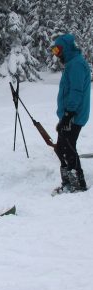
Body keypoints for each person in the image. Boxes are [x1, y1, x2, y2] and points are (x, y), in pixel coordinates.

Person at [51, 33, 91, 195]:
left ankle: (77, 184)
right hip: (70, 115)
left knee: (67, 147)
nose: (57, 53)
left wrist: (68, 114)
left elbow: (76, 91)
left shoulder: (76, 65)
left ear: (66, 48)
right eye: (54, 50)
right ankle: (68, 182)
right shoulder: (72, 63)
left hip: (74, 115)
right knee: (61, 148)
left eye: (58, 49)